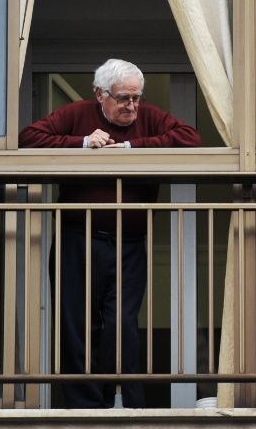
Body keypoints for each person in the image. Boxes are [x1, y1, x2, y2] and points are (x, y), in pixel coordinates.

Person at [19, 59, 201, 407]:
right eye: (123, 98)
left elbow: (190, 138)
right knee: (76, 325)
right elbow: (29, 138)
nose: (132, 106)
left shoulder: (147, 118)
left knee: (122, 326)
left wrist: (133, 149)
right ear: (100, 95)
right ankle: (83, 407)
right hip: (78, 237)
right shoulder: (77, 113)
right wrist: (82, 143)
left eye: (136, 98)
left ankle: (127, 401)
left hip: (130, 243)